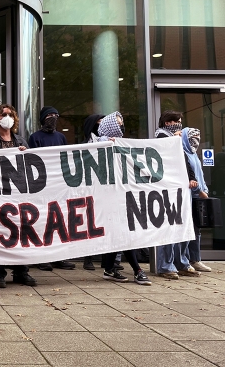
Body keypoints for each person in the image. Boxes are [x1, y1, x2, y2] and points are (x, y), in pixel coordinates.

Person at [0, 104, 37, 287]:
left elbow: (30, 165)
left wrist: (25, 154)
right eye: (4, 114)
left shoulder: (20, 140)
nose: (7, 117)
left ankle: (21, 271)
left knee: (21, 232)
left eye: (10, 115)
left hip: (17, 194)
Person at [92, 111, 151, 285]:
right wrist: (105, 144)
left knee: (119, 234)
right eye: (117, 123)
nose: (121, 126)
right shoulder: (99, 143)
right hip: (108, 199)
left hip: (121, 196)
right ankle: (137, 270)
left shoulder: (121, 143)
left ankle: (109, 269)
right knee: (123, 234)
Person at [154, 111, 202, 279]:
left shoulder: (176, 140)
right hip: (169, 189)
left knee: (183, 226)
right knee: (169, 226)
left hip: (181, 189)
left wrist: (191, 178)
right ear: (168, 123)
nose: (180, 126)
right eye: (177, 122)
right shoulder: (161, 137)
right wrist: (173, 139)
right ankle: (166, 265)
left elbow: (184, 161)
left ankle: (181, 262)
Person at [28, 106, 75, 271]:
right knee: (43, 221)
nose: (53, 118)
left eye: (56, 115)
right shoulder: (34, 138)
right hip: (42, 185)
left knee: (59, 221)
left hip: (58, 185)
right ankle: (42, 257)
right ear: (43, 119)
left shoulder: (61, 137)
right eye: (49, 115)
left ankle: (59, 257)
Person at [182, 127, 211, 273]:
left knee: (196, 229)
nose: (196, 140)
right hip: (190, 197)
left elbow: (200, 175)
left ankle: (196, 259)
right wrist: (198, 190)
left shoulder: (194, 154)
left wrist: (204, 189)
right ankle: (187, 260)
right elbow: (189, 177)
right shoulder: (183, 154)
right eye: (192, 137)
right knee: (189, 229)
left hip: (199, 197)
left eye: (198, 137)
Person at [81, 114, 104, 270]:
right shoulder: (84, 144)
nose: (100, 126)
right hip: (89, 189)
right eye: (98, 123)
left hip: (103, 188)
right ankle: (87, 258)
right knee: (89, 223)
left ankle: (106, 259)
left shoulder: (106, 141)